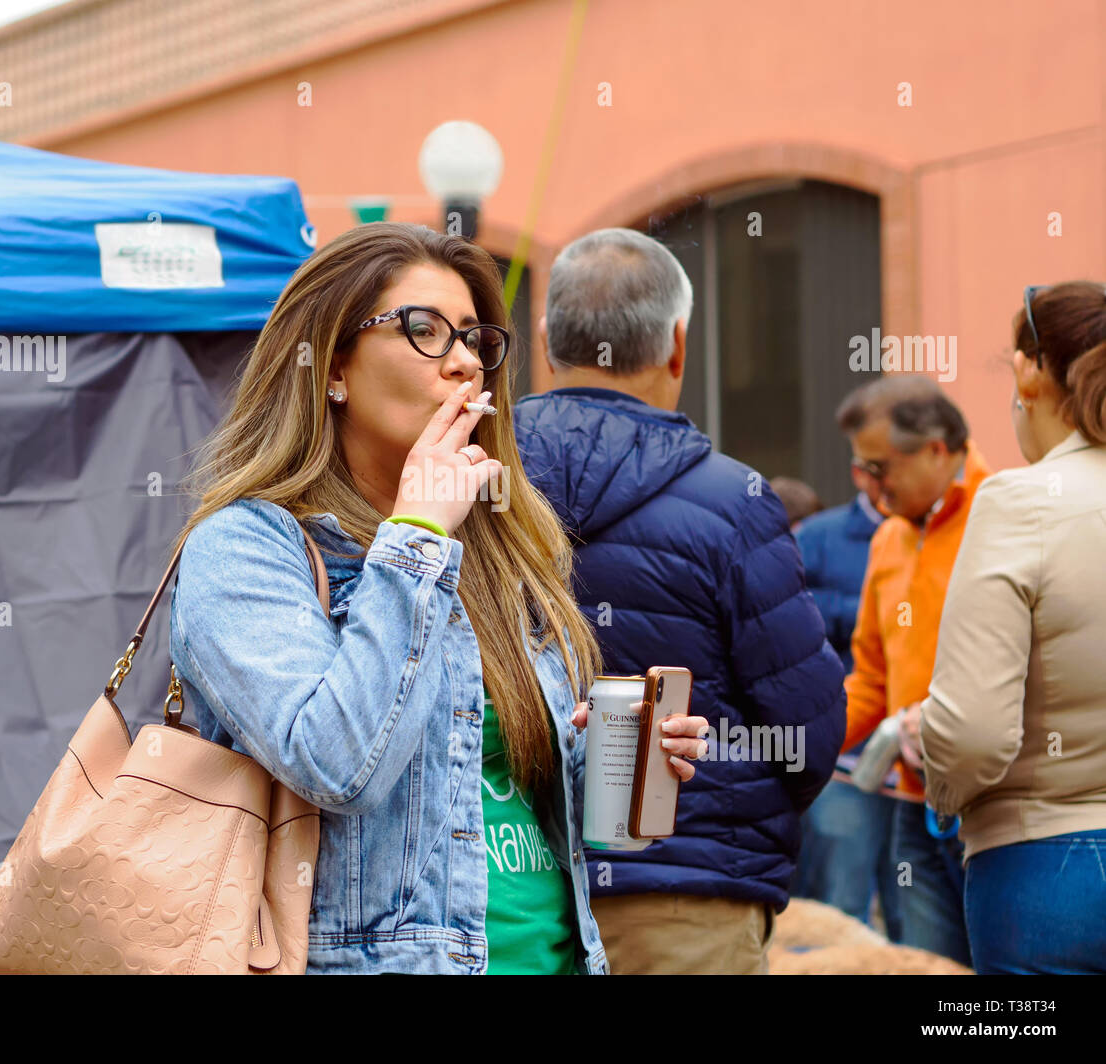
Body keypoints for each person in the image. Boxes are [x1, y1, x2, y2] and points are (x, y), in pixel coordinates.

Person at [166, 221, 709, 974]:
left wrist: (615, 757)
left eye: (474, 340)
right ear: (332, 369)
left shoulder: (501, 549)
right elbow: (337, 764)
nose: (461, 363)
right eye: (422, 330)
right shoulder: (248, 545)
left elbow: (503, 796)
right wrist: (416, 533)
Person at [514, 227, 846, 975]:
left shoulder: (463, 480)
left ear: (546, 338)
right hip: (680, 893)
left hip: (505, 886)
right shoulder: (733, 501)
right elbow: (809, 727)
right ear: (677, 346)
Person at [920, 281, 1106, 974]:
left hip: (1045, 866)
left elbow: (973, 734)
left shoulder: (1018, 501)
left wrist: (941, 784)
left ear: (1030, 374)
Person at [838, 374, 990, 968]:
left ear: (936, 449)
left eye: (881, 469)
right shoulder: (890, 540)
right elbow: (870, 681)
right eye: (862, 471)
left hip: (993, 811)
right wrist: (794, 744)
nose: (872, 489)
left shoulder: (1005, 513)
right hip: (913, 809)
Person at [789, 405, 900, 939]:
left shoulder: (945, 532)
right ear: (860, 473)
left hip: (921, 772)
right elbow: (792, 633)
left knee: (917, 924)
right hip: (847, 765)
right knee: (840, 912)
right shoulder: (820, 536)